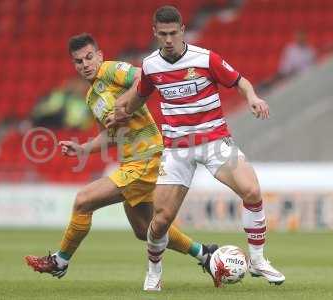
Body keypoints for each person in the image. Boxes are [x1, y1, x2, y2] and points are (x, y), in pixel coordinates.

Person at [111, 6, 285, 290]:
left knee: (252, 190)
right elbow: (140, 95)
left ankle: (257, 259)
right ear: (155, 33)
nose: (168, 39)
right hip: (177, 148)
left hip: (214, 140)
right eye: (163, 34)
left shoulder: (205, 59)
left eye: (173, 33)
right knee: (161, 220)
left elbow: (240, 82)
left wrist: (252, 97)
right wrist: (123, 111)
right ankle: (154, 271)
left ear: (182, 30)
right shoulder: (151, 65)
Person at [24, 33, 217, 279]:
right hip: (132, 161)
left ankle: (60, 262)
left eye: (89, 57)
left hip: (147, 157)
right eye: (78, 61)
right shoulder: (92, 96)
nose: (85, 65)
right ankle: (205, 254)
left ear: (100, 55)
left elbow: (142, 77)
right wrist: (82, 148)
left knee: (83, 200)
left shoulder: (110, 69)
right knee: (144, 230)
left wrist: (125, 104)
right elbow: (109, 136)